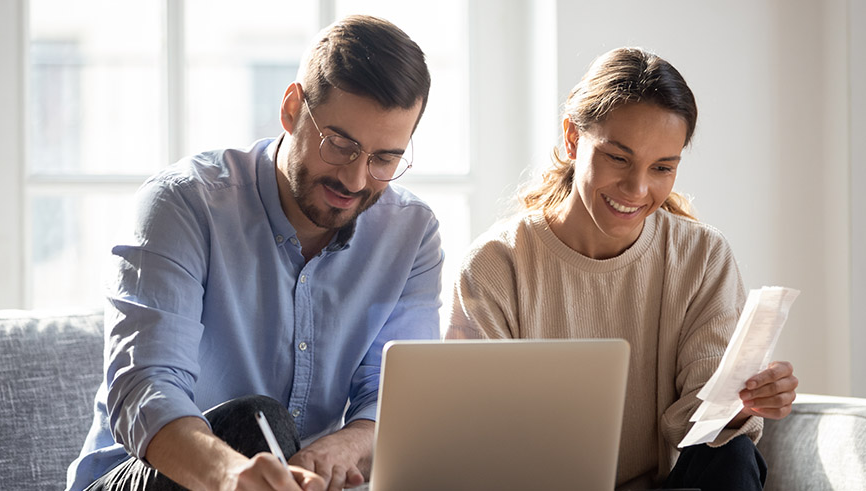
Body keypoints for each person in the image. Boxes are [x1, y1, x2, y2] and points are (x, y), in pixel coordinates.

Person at [66, 15, 442, 491]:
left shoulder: (411, 234)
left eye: (385, 158)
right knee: (255, 420)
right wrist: (232, 476)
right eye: (341, 145)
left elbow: (394, 401)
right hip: (154, 476)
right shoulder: (183, 204)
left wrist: (342, 447)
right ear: (291, 110)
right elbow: (145, 388)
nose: (356, 180)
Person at [446, 47, 798, 491]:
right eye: (618, 158)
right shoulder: (498, 264)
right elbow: (474, 436)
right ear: (573, 138)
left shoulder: (702, 256)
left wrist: (744, 402)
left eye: (662, 167)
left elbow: (701, 426)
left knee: (732, 455)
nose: (637, 189)